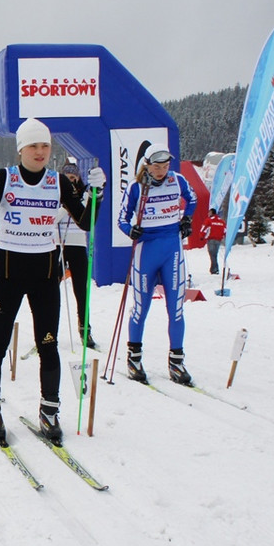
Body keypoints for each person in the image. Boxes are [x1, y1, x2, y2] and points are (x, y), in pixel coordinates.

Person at [0, 119, 105, 445]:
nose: (41, 151)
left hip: (45, 275)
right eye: (34, 146)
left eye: (45, 146)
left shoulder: (59, 182)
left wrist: (97, 195)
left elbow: (86, 222)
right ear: (21, 149)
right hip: (8, 275)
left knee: (48, 344)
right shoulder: (6, 178)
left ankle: (49, 409)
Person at [118, 143, 197, 386]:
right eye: (156, 166)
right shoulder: (136, 187)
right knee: (141, 308)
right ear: (147, 165)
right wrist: (132, 230)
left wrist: (186, 220)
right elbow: (122, 219)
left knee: (176, 309)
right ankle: (134, 358)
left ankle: (176, 361)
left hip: (172, 249)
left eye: (165, 166)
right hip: (146, 250)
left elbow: (192, 199)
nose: (161, 171)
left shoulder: (178, 180)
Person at [58, 159, 96, 349]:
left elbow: (90, 217)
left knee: (81, 290)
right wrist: (66, 206)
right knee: (49, 289)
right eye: (67, 178)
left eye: (74, 178)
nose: (71, 181)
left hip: (77, 245)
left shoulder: (83, 194)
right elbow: (51, 218)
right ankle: (49, 330)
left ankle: (85, 328)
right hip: (58, 245)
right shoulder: (55, 193)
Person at [201, 207, 226, 274]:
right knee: (215, 254)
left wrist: (201, 236)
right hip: (218, 239)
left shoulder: (209, 220)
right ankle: (214, 269)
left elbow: (204, 228)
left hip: (211, 239)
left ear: (212, 213)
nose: (208, 213)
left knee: (212, 254)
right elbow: (225, 230)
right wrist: (222, 236)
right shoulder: (221, 221)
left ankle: (215, 269)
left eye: (209, 212)